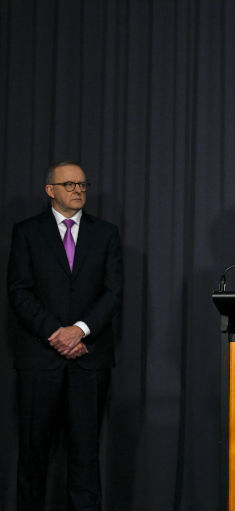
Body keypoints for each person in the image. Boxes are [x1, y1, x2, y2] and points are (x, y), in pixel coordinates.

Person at [7, 160, 123, 510]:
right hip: (39, 361)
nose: (78, 190)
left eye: (82, 185)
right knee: (33, 454)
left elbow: (113, 292)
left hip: (89, 360)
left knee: (85, 456)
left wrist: (79, 331)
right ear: (50, 191)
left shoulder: (106, 233)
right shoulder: (27, 232)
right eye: (70, 185)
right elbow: (19, 291)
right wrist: (55, 333)